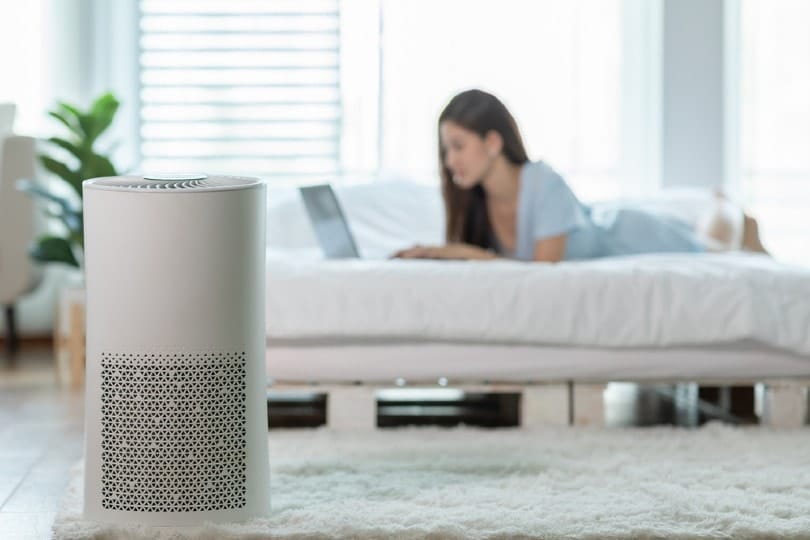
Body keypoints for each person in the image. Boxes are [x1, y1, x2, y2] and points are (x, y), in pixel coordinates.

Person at [394, 89, 767, 262]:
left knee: (715, 246)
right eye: (445, 150)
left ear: (492, 142)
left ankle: (726, 205)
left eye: (458, 146)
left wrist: (465, 255)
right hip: (597, 222)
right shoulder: (477, 203)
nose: (449, 160)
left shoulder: (543, 182)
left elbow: (544, 271)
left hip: (628, 235)